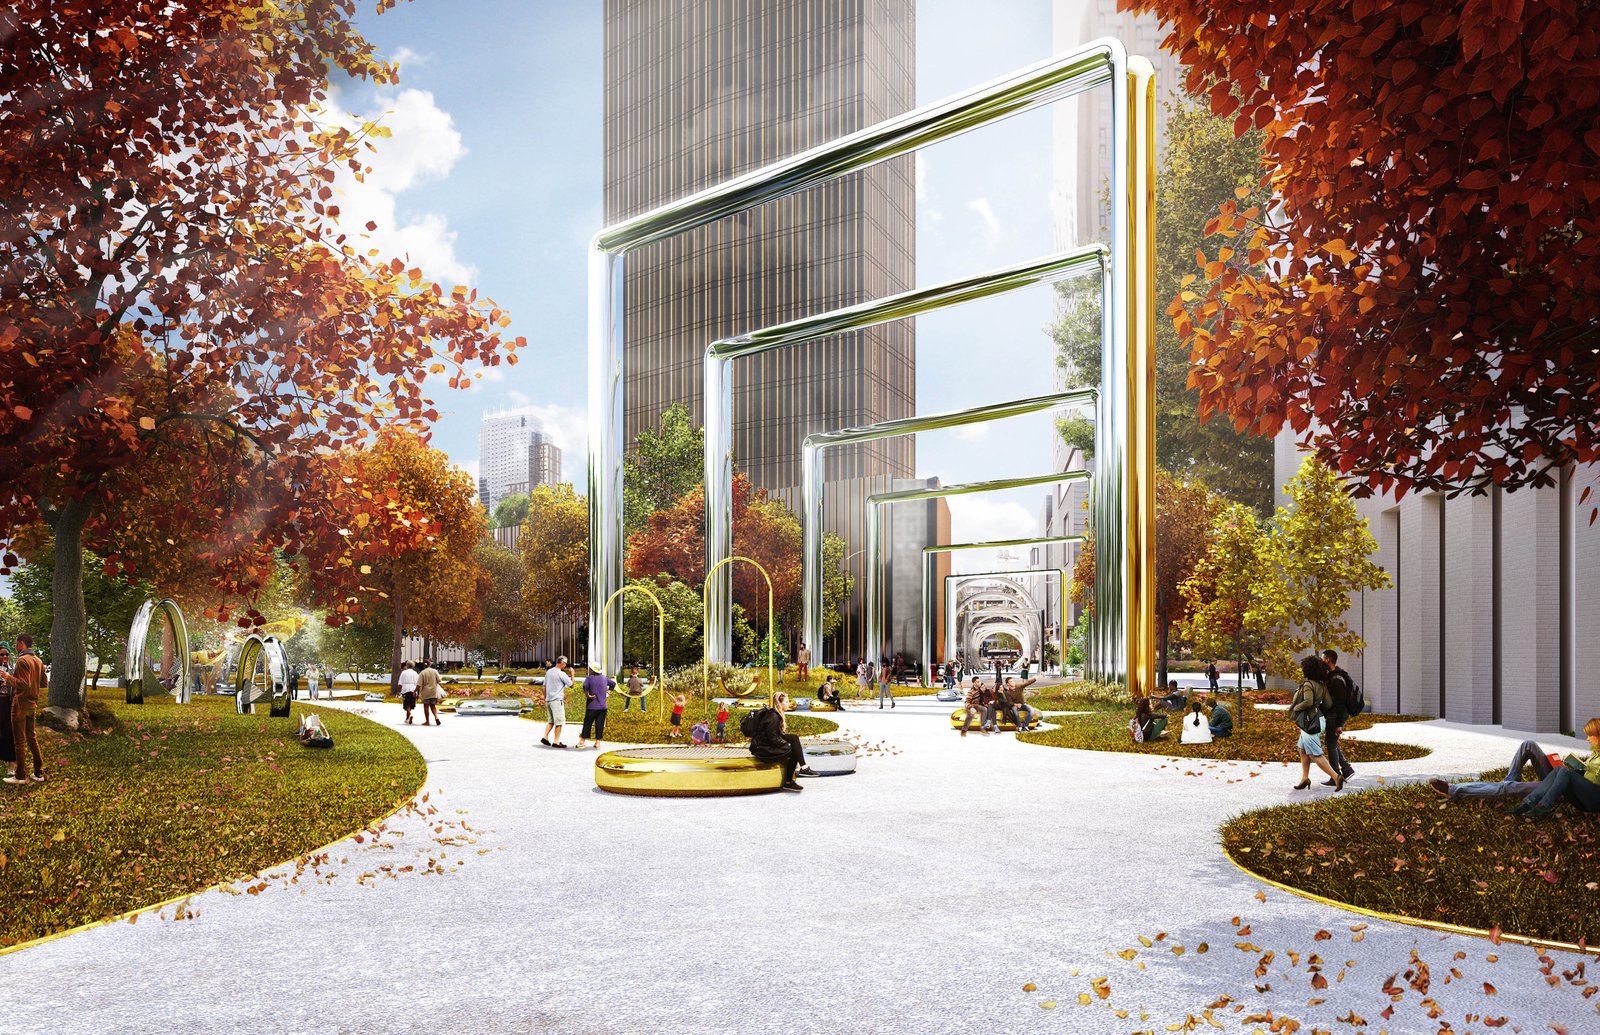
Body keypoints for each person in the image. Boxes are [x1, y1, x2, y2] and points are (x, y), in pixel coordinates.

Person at [1505, 718, 1600, 818]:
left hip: (1594, 799)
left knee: (1566, 772)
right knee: (1560, 769)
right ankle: (1528, 803)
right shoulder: (1595, 753)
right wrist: (1579, 768)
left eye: (1590, 735)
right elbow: (1587, 774)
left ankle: (1544, 806)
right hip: (1584, 794)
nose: (1587, 739)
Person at [1429, 737, 1563, 803]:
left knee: (1507, 787)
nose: (1585, 738)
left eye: (1586, 735)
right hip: (1561, 776)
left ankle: (1453, 791)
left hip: (1562, 788)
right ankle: (1509, 783)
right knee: (1528, 744)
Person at [1290, 655, 1342, 791]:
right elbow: (1328, 703)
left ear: (1307, 670)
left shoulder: (1308, 684)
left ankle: (1336, 777)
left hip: (1309, 723)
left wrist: (1296, 707)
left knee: (1315, 754)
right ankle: (1305, 778)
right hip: (1319, 720)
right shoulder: (1322, 685)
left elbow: (1308, 701)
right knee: (1302, 749)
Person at [744, 691, 814, 791]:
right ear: (779, 704)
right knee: (794, 752)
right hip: (763, 750)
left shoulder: (775, 713)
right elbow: (772, 738)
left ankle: (803, 767)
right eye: (786, 702)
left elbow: (776, 734)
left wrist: (789, 741)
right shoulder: (774, 717)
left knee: (794, 738)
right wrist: (786, 746)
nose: (789, 703)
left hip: (764, 744)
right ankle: (788, 782)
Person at [4, 634, 46, 783]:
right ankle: (38, 773)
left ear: (22, 643)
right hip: (32, 705)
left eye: (16, 644)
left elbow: (23, 684)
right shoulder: (38, 660)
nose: (15, 647)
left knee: (19, 742)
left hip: (20, 704)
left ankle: (20, 776)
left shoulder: (22, 660)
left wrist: (6, 677)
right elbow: (44, 683)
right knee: (32, 738)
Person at [1320, 649, 1356, 784]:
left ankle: (1336, 776)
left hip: (1336, 715)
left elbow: (1340, 703)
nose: (1321, 661)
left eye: (1322, 658)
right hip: (1333, 714)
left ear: (1328, 660)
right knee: (1331, 743)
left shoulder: (1336, 679)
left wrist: (1339, 723)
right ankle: (1346, 769)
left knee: (1330, 744)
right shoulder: (1333, 675)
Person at [576, 668, 614, 750]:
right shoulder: (605, 678)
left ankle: (582, 742)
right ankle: (597, 743)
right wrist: (608, 692)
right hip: (603, 706)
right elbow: (613, 684)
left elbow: (585, 686)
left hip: (592, 706)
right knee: (600, 724)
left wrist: (588, 695)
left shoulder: (589, 678)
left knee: (587, 723)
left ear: (593, 670)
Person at [540, 656, 572, 748]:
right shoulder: (561, 674)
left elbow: (544, 686)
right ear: (562, 663)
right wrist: (572, 674)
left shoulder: (549, 672)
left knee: (551, 721)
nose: (565, 666)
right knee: (559, 722)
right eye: (565, 664)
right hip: (557, 701)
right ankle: (556, 742)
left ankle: (545, 737)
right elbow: (572, 685)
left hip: (549, 700)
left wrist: (546, 698)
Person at [415, 659, 442, 727]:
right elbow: (439, 680)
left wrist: (415, 691)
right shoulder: (435, 671)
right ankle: (436, 717)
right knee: (433, 706)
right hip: (433, 691)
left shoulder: (422, 673)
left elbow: (419, 684)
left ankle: (427, 721)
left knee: (426, 706)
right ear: (430, 664)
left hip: (425, 692)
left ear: (424, 665)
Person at [0, 644, 14, 772]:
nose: (4, 656)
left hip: (7, 705)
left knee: (9, 734)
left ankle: (11, 765)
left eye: (6, 654)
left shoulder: (12, 670)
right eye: (2, 654)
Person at [397, 661, 419, 725]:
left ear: (407, 665)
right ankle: (407, 718)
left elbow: (400, 683)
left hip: (405, 689)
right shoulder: (415, 673)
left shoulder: (404, 672)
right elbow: (418, 683)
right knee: (411, 703)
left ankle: (409, 715)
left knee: (406, 704)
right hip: (413, 689)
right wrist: (418, 692)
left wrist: (398, 691)